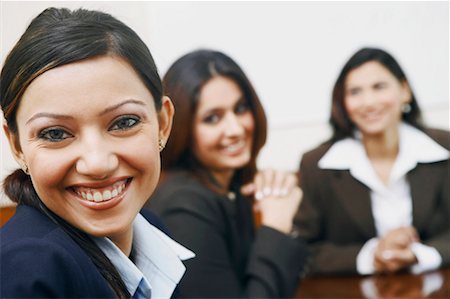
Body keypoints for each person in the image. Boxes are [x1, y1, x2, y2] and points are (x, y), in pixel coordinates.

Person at [0, 7, 194, 298]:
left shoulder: (150, 230)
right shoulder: (27, 270)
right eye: (55, 134)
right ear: (17, 145)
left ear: (163, 124)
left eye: (124, 123)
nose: (97, 163)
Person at [144, 49, 309, 298]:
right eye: (212, 118)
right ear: (181, 127)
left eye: (241, 108)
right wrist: (276, 226)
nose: (235, 129)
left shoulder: (229, 187)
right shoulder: (183, 205)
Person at [295, 47, 449, 275]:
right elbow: (303, 251)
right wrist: (373, 255)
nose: (368, 102)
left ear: (404, 91)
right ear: (344, 103)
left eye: (379, 87)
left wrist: (418, 255)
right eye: (355, 92)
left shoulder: (443, 148)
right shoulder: (316, 165)